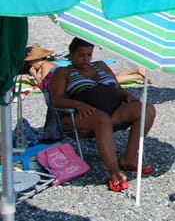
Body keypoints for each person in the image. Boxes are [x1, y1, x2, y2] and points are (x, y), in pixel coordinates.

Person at [49, 37, 157, 192]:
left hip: (113, 110)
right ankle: (114, 172)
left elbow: (117, 87)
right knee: (101, 119)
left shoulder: (100, 66)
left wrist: (127, 95)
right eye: (81, 55)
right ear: (71, 54)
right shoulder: (63, 72)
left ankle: (129, 158)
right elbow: (56, 100)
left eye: (89, 54)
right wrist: (78, 105)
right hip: (82, 115)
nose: (86, 59)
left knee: (147, 109)